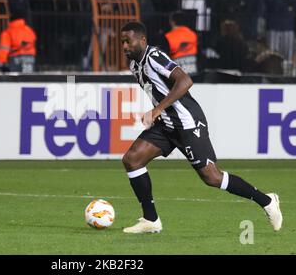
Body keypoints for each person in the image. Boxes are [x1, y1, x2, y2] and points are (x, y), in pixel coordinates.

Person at [119, 21, 283, 234]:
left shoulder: (154, 57)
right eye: (122, 42)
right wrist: (160, 113)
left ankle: (267, 201)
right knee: (132, 159)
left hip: (187, 123)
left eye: (128, 41)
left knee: (212, 177)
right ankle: (151, 220)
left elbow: (185, 81)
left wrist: (158, 109)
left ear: (142, 40)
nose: (124, 46)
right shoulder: (134, 64)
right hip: (166, 125)